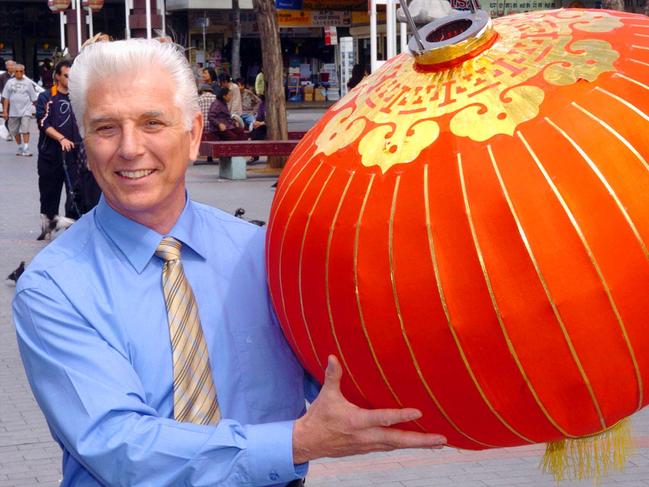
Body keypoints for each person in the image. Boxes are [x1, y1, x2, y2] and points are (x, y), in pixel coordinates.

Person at [13, 39, 445, 487]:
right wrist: (296, 442)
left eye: (152, 122)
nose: (129, 147)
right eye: (105, 128)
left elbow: (345, 371)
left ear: (194, 133)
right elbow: (120, 446)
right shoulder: (54, 287)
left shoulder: (265, 254)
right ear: (84, 142)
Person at [36, 59, 96, 236]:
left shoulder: (80, 98)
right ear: (57, 76)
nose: (71, 79)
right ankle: (48, 224)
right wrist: (61, 138)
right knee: (49, 191)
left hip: (76, 154)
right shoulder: (47, 97)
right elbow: (43, 122)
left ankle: (72, 227)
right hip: (51, 154)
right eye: (67, 76)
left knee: (76, 192)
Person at [2, 63, 38, 156]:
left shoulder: (28, 83)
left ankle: (26, 147)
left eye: (21, 71)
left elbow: (34, 98)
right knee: (14, 131)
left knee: (25, 129)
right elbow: (6, 98)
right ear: (14, 72)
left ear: (24, 72)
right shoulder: (10, 83)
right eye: (16, 71)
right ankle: (20, 146)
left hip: (26, 110)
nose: (18, 73)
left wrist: (39, 111)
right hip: (13, 111)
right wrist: (5, 111)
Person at [197, 82, 216, 163]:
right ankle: (210, 157)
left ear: (202, 91)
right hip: (213, 127)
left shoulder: (199, 99)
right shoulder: (215, 98)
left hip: (202, 127)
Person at [0, 59, 16, 141]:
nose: (11, 67)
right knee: (7, 117)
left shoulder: (18, 75)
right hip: (5, 100)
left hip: (16, 100)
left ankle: (14, 132)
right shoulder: (2, 76)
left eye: (12, 65)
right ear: (6, 67)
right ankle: (9, 133)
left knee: (15, 117)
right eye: (9, 65)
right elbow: (1, 88)